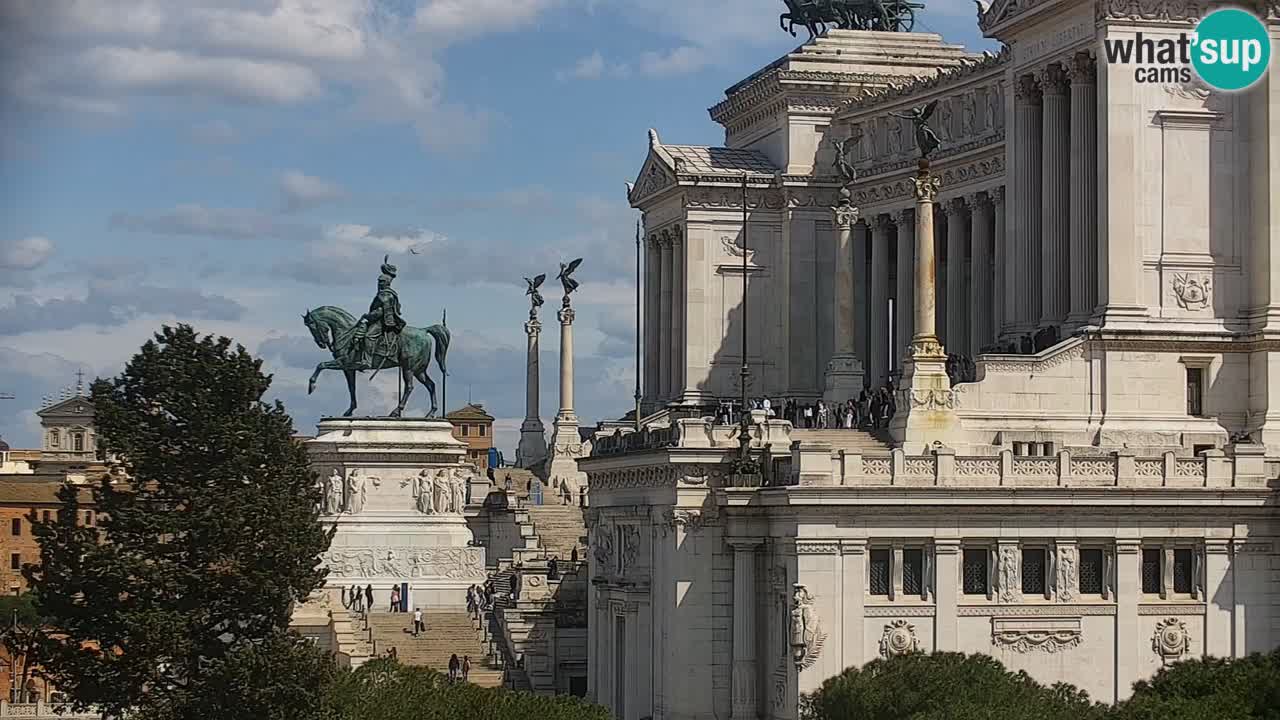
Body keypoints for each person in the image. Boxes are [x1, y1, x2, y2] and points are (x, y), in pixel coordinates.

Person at [352, 255, 406, 369]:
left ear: (386, 282)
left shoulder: (385, 295)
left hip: (382, 322)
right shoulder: (386, 293)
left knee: (368, 336)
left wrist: (368, 316)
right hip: (378, 319)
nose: (379, 284)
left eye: (381, 282)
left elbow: (381, 312)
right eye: (379, 282)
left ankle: (367, 361)